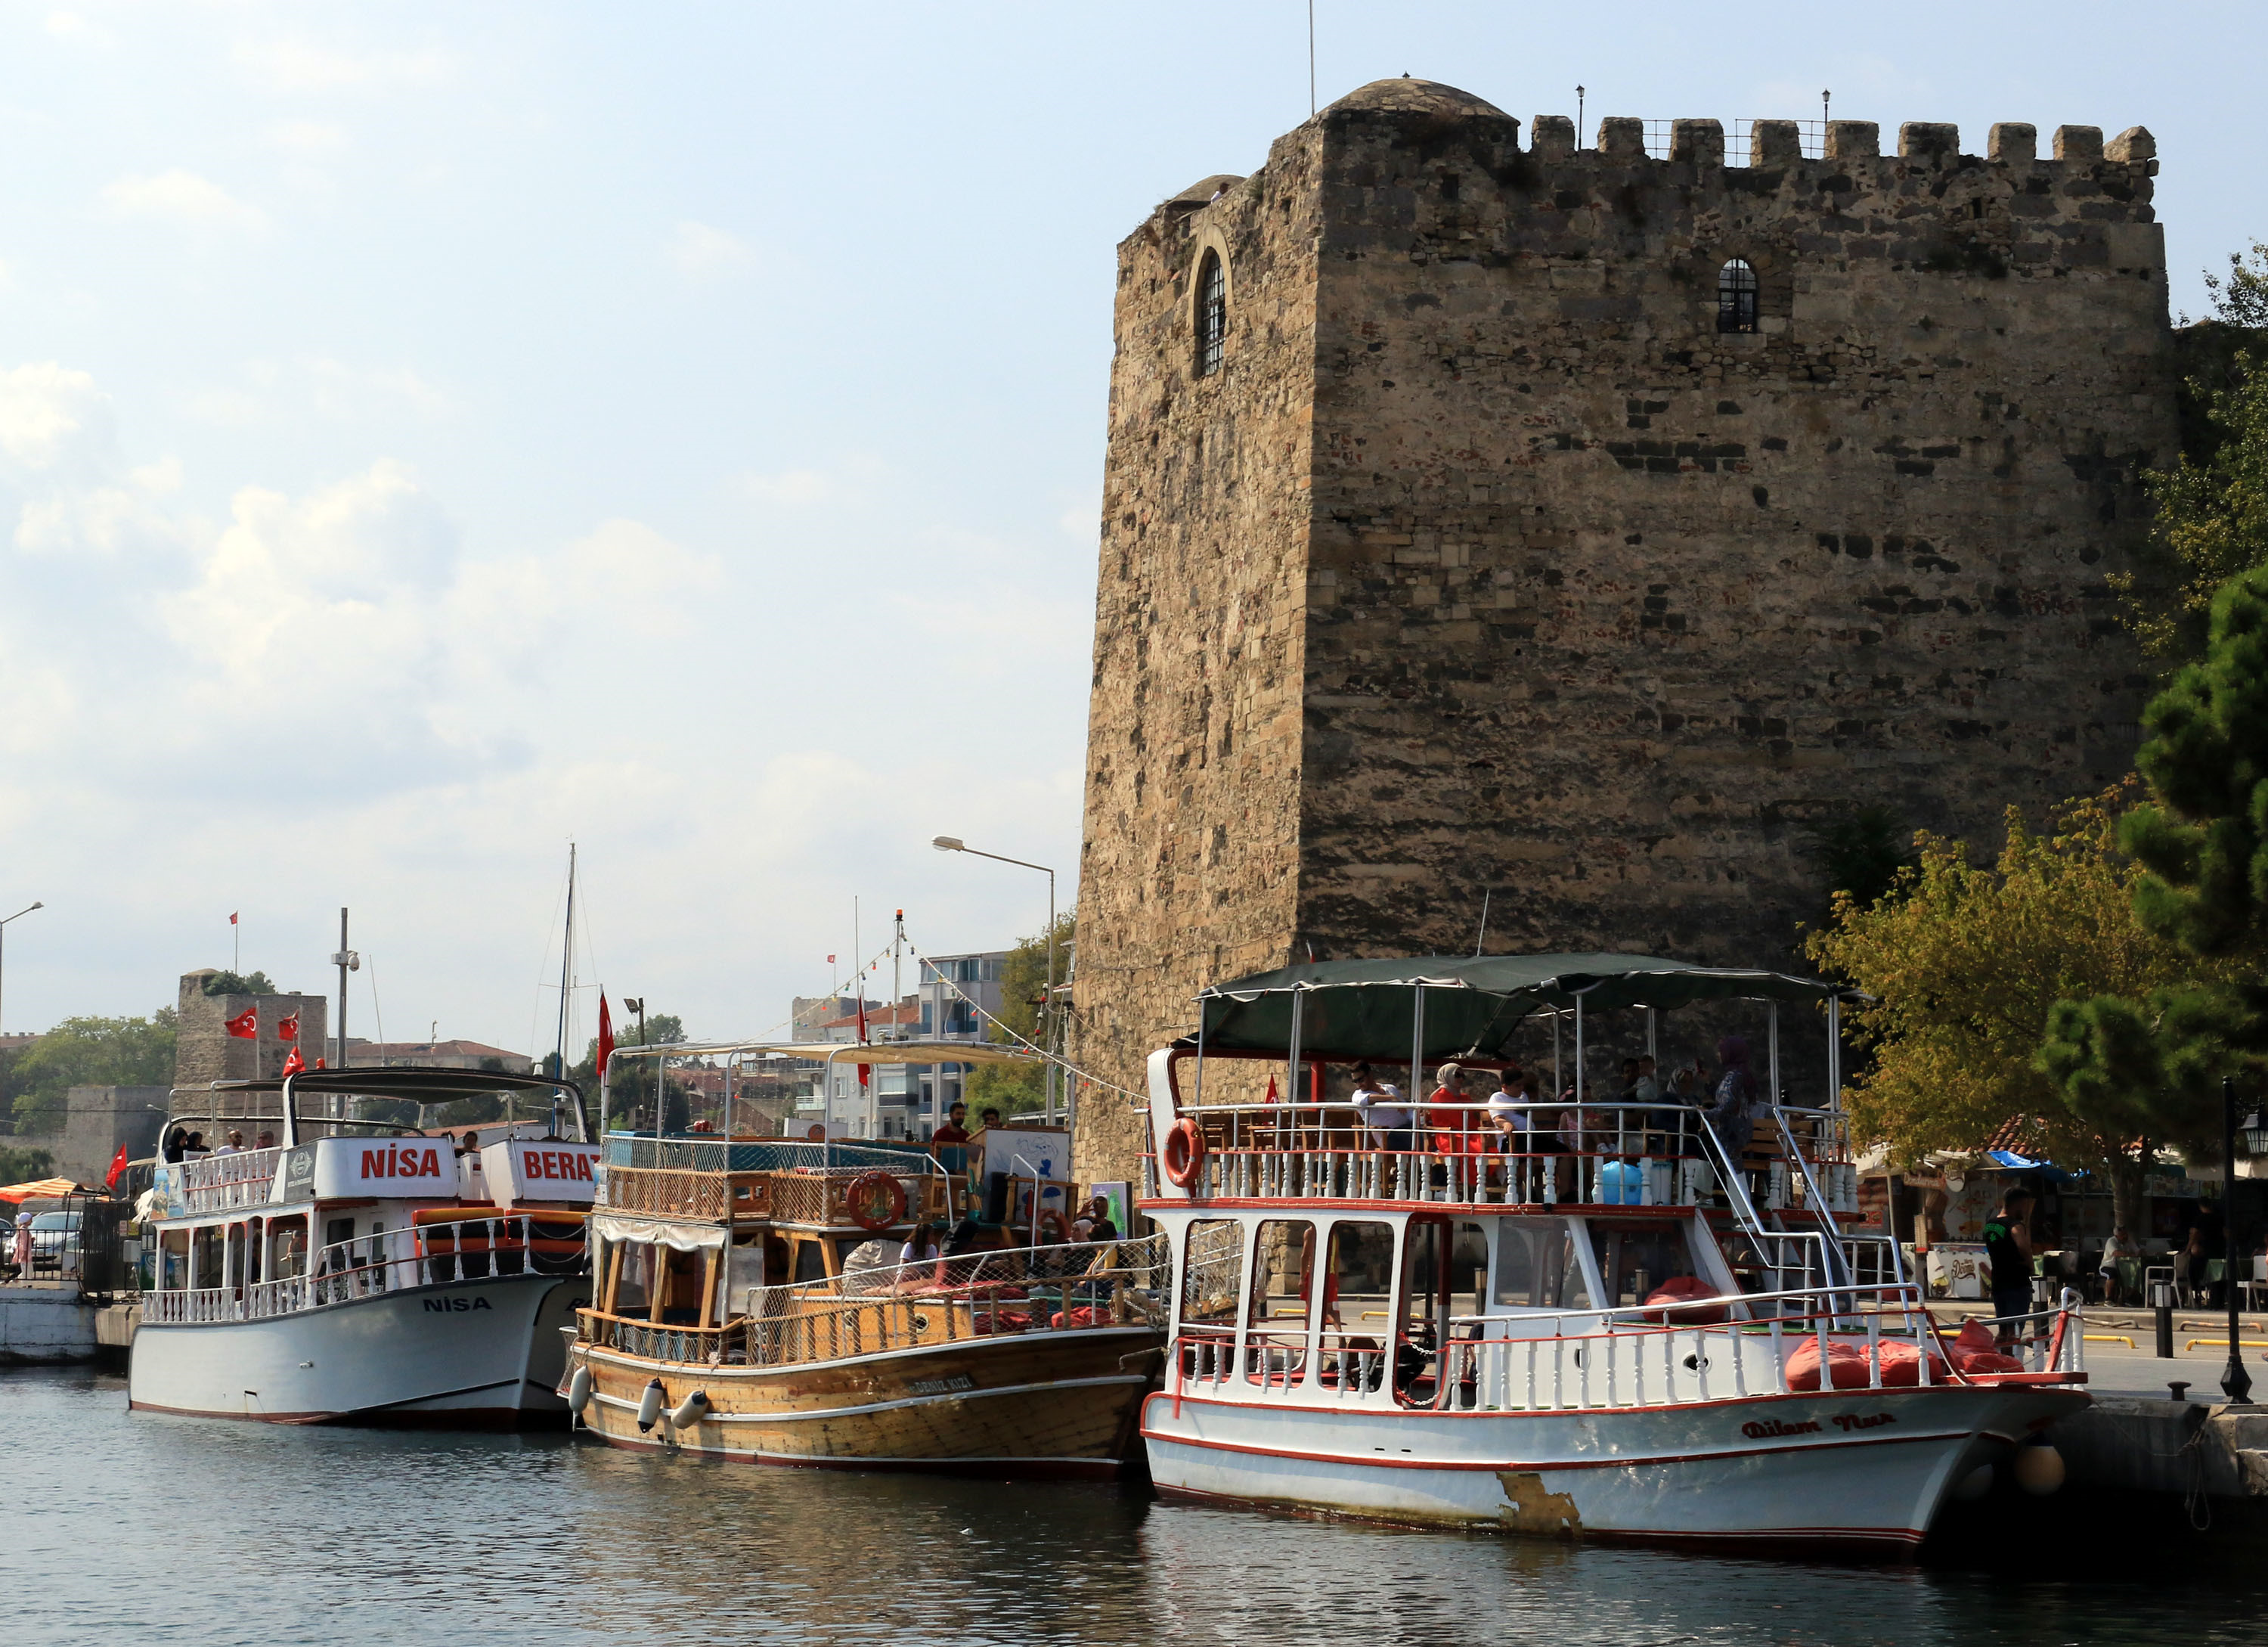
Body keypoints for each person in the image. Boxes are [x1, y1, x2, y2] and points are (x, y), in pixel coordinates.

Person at [1982, 1187, 2036, 1348]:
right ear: (2018, 1204)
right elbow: (2024, 1247)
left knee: (2003, 1329)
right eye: (2025, 1206)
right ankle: (2012, 1365)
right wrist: (2031, 1267)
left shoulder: (1989, 1225)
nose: (2026, 1210)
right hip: (2017, 1282)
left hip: (1998, 1282)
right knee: (2015, 1331)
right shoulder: (2015, 1226)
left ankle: (2000, 1364)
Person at [1348, 1062, 1412, 1154]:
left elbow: (1408, 1111)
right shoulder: (1358, 1095)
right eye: (1355, 1081)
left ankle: (1436, 1163)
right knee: (1418, 1138)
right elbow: (1365, 1100)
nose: (1359, 1084)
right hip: (1389, 1136)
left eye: (1361, 1080)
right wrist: (1391, 1098)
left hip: (1407, 1128)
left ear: (1370, 1075)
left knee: (1427, 1134)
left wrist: (1418, 1120)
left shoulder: (1390, 1088)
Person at [2097, 1224, 2138, 1305]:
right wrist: (2131, 1254)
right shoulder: (2111, 1241)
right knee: (2112, 1274)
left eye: (2126, 1234)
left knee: (2135, 1275)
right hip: (2108, 1266)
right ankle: (2108, 1299)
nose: (2125, 1237)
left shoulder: (2129, 1241)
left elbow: (2137, 1251)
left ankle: (2127, 1298)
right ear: (2116, 1236)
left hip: (2125, 1268)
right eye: (2122, 1235)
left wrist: (2140, 1252)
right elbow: (2116, 1253)